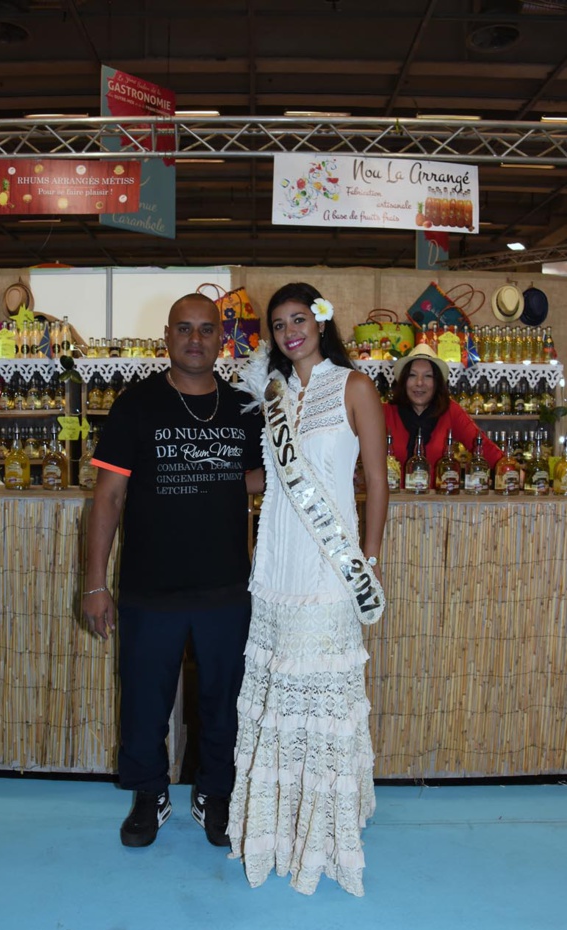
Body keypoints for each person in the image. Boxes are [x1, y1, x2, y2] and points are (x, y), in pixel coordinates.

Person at [82, 293, 264, 850]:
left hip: (227, 586)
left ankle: (215, 793)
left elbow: (264, 481)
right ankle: (148, 794)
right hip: (149, 586)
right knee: (143, 701)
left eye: (206, 330)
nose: (194, 339)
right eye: (184, 329)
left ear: (221, 338)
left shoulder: (243, 407)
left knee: (224, 705)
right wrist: (95, 583)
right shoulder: (136, 405)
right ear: (166, 336)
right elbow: (108, 497)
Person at [228, 282, 388, 897]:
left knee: (319, 694)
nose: (289, 332)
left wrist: (367, 560)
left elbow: (376, 479)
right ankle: (279, 827)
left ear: (320, 321)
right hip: (277, 563)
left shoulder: (353, 386)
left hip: (330, 566)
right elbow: (268, 479)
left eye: (300, 319)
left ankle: (320, 832)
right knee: (278, 690)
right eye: (278, 324)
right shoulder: (272, 394)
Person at [383, 342, 503, 484]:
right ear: (403, 380)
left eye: (428, 376)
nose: (419, 383)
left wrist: (509, 468)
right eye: (412, 375)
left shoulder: (451, 411)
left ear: (437, 382)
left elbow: (482, 446)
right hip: (392, 501)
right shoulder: (385, 413)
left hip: (438, 501)